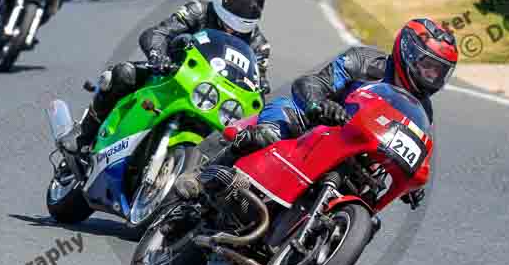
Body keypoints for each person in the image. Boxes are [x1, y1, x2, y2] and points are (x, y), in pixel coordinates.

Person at [176, 18, 458, 208]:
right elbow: (313, 82)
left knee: (370, 217)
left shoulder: (423, 110)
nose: (432, 76)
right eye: (427, 66)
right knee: (266, 135)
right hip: (308, 121)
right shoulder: (363, 62)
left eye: (439, 72)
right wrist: (320, 105)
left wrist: (411, 183)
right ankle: (200, 178)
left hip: (354, 158)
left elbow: (414, 147)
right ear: (407, 52)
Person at [75, 0, 271, 151]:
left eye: (255, 6)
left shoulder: (259, 45)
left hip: (213, 99)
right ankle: (82, 136)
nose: (247, 11)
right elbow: (158, 33)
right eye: (240, 4)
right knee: (122, 74)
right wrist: (157, 55)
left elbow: (258, 86)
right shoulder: (197, 11)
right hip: (172, 74)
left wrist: (259, 94)